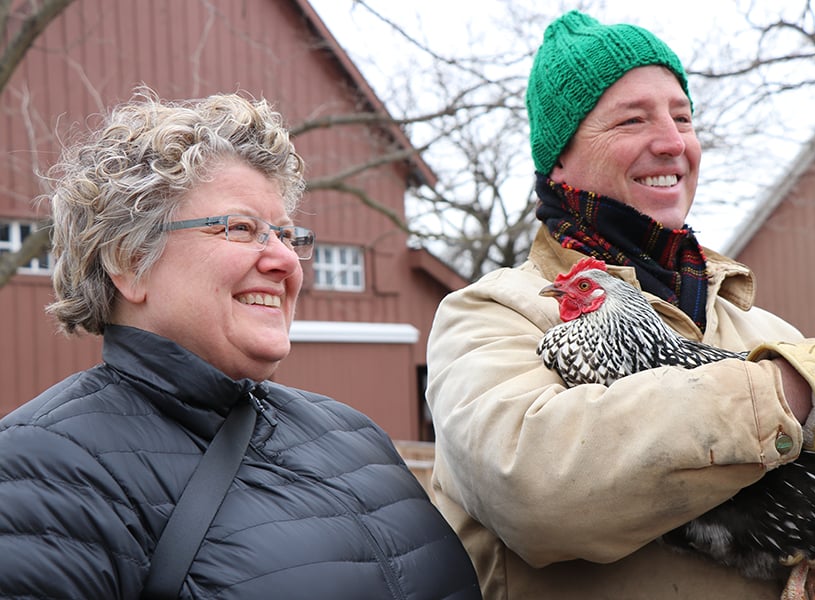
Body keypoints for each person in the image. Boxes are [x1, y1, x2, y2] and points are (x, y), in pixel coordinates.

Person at [425, 10, 815, 600]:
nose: (672, 142)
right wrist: (778, 397)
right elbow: (530, 485)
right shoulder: (491, 314)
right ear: (559, 156)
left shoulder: (758, 326)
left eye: (683, 117)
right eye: (632, 119)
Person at [0, 90, 481, 599]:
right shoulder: (41, 470)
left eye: (287, 235)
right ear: (128, 259)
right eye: (241, 228)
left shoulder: (354, 434)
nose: (285, 262)